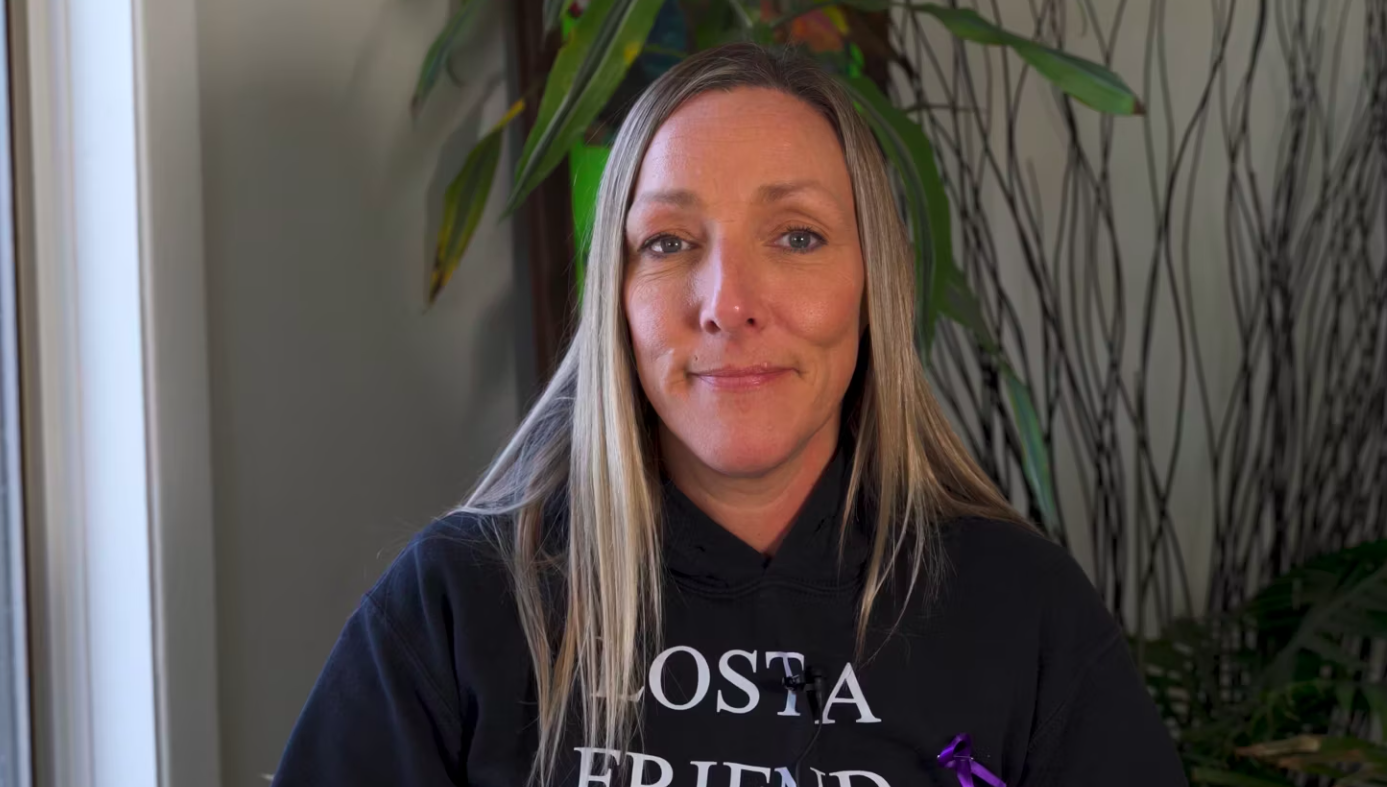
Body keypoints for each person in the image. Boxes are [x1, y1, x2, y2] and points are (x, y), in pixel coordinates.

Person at [270, 43, 1186, 787]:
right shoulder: (457, 607)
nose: (728, 302)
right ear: (614, 301)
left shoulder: (1018, 612)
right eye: (668, 242)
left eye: (796, 236)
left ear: (873, 284)